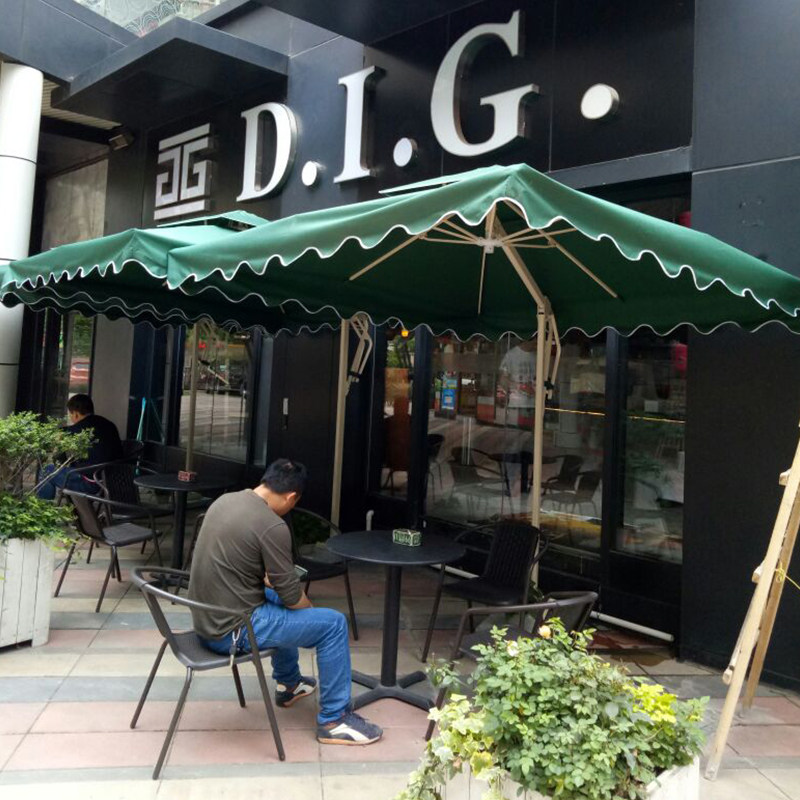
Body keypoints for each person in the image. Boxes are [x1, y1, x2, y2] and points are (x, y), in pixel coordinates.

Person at [188, 459, 383, 746]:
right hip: (232, 631)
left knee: (278, 598)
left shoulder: (225, 501)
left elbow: (235, 563)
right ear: (292, 497)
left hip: (207, 618)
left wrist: (275, 587)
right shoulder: (272, 525)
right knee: (332, 624)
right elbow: (293, 596)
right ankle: (334, 720)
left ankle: (289, 683)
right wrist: (311, 616)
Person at [37, 393, 124, 500]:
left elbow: (61, 444)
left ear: (76, 414)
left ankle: (43, 506)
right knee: (71, 466)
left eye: (70, 415)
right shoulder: (108, 424)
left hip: (93, 483)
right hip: (115, 481)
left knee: (47, 470)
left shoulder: (79, 429)